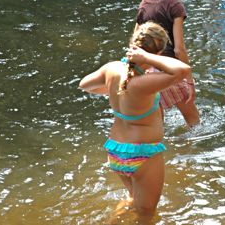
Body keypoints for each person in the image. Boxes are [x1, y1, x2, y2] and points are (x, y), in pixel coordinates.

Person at [79, 22, 191, 220]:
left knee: (132, 200)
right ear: (159, 51)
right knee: (146, 215)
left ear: (133, 41)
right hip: (143, 153)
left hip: (115, 150)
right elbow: (182, 69)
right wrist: (148, 58)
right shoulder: (143, 83)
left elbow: (84, 85)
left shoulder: (112, 69)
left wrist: (110, 90)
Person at [136, 0, 199, 127]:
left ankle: (162, 153)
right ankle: (190, 151)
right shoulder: (174, 6)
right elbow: (179, 49)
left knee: (158, 124)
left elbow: (134, 43)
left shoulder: (144, 3)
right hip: (169, 71)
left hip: (148, 72)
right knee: (194, 121)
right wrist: (189, 80)